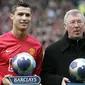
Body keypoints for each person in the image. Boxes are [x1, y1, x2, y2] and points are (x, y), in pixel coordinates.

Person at [0, 0, 43, 85]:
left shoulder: (37, 46)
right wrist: (1, 80)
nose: (24, 18)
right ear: (12, 16)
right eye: (20, 14)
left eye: (27, 15)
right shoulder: (1, 42)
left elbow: (38, 74)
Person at [40, 9, 85, 85]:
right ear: (65, 26)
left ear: (84, 25)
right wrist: (59, 80)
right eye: (72, 22)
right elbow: (44, 76)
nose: (76, 25)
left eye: (79, 22)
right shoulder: (52, 50)